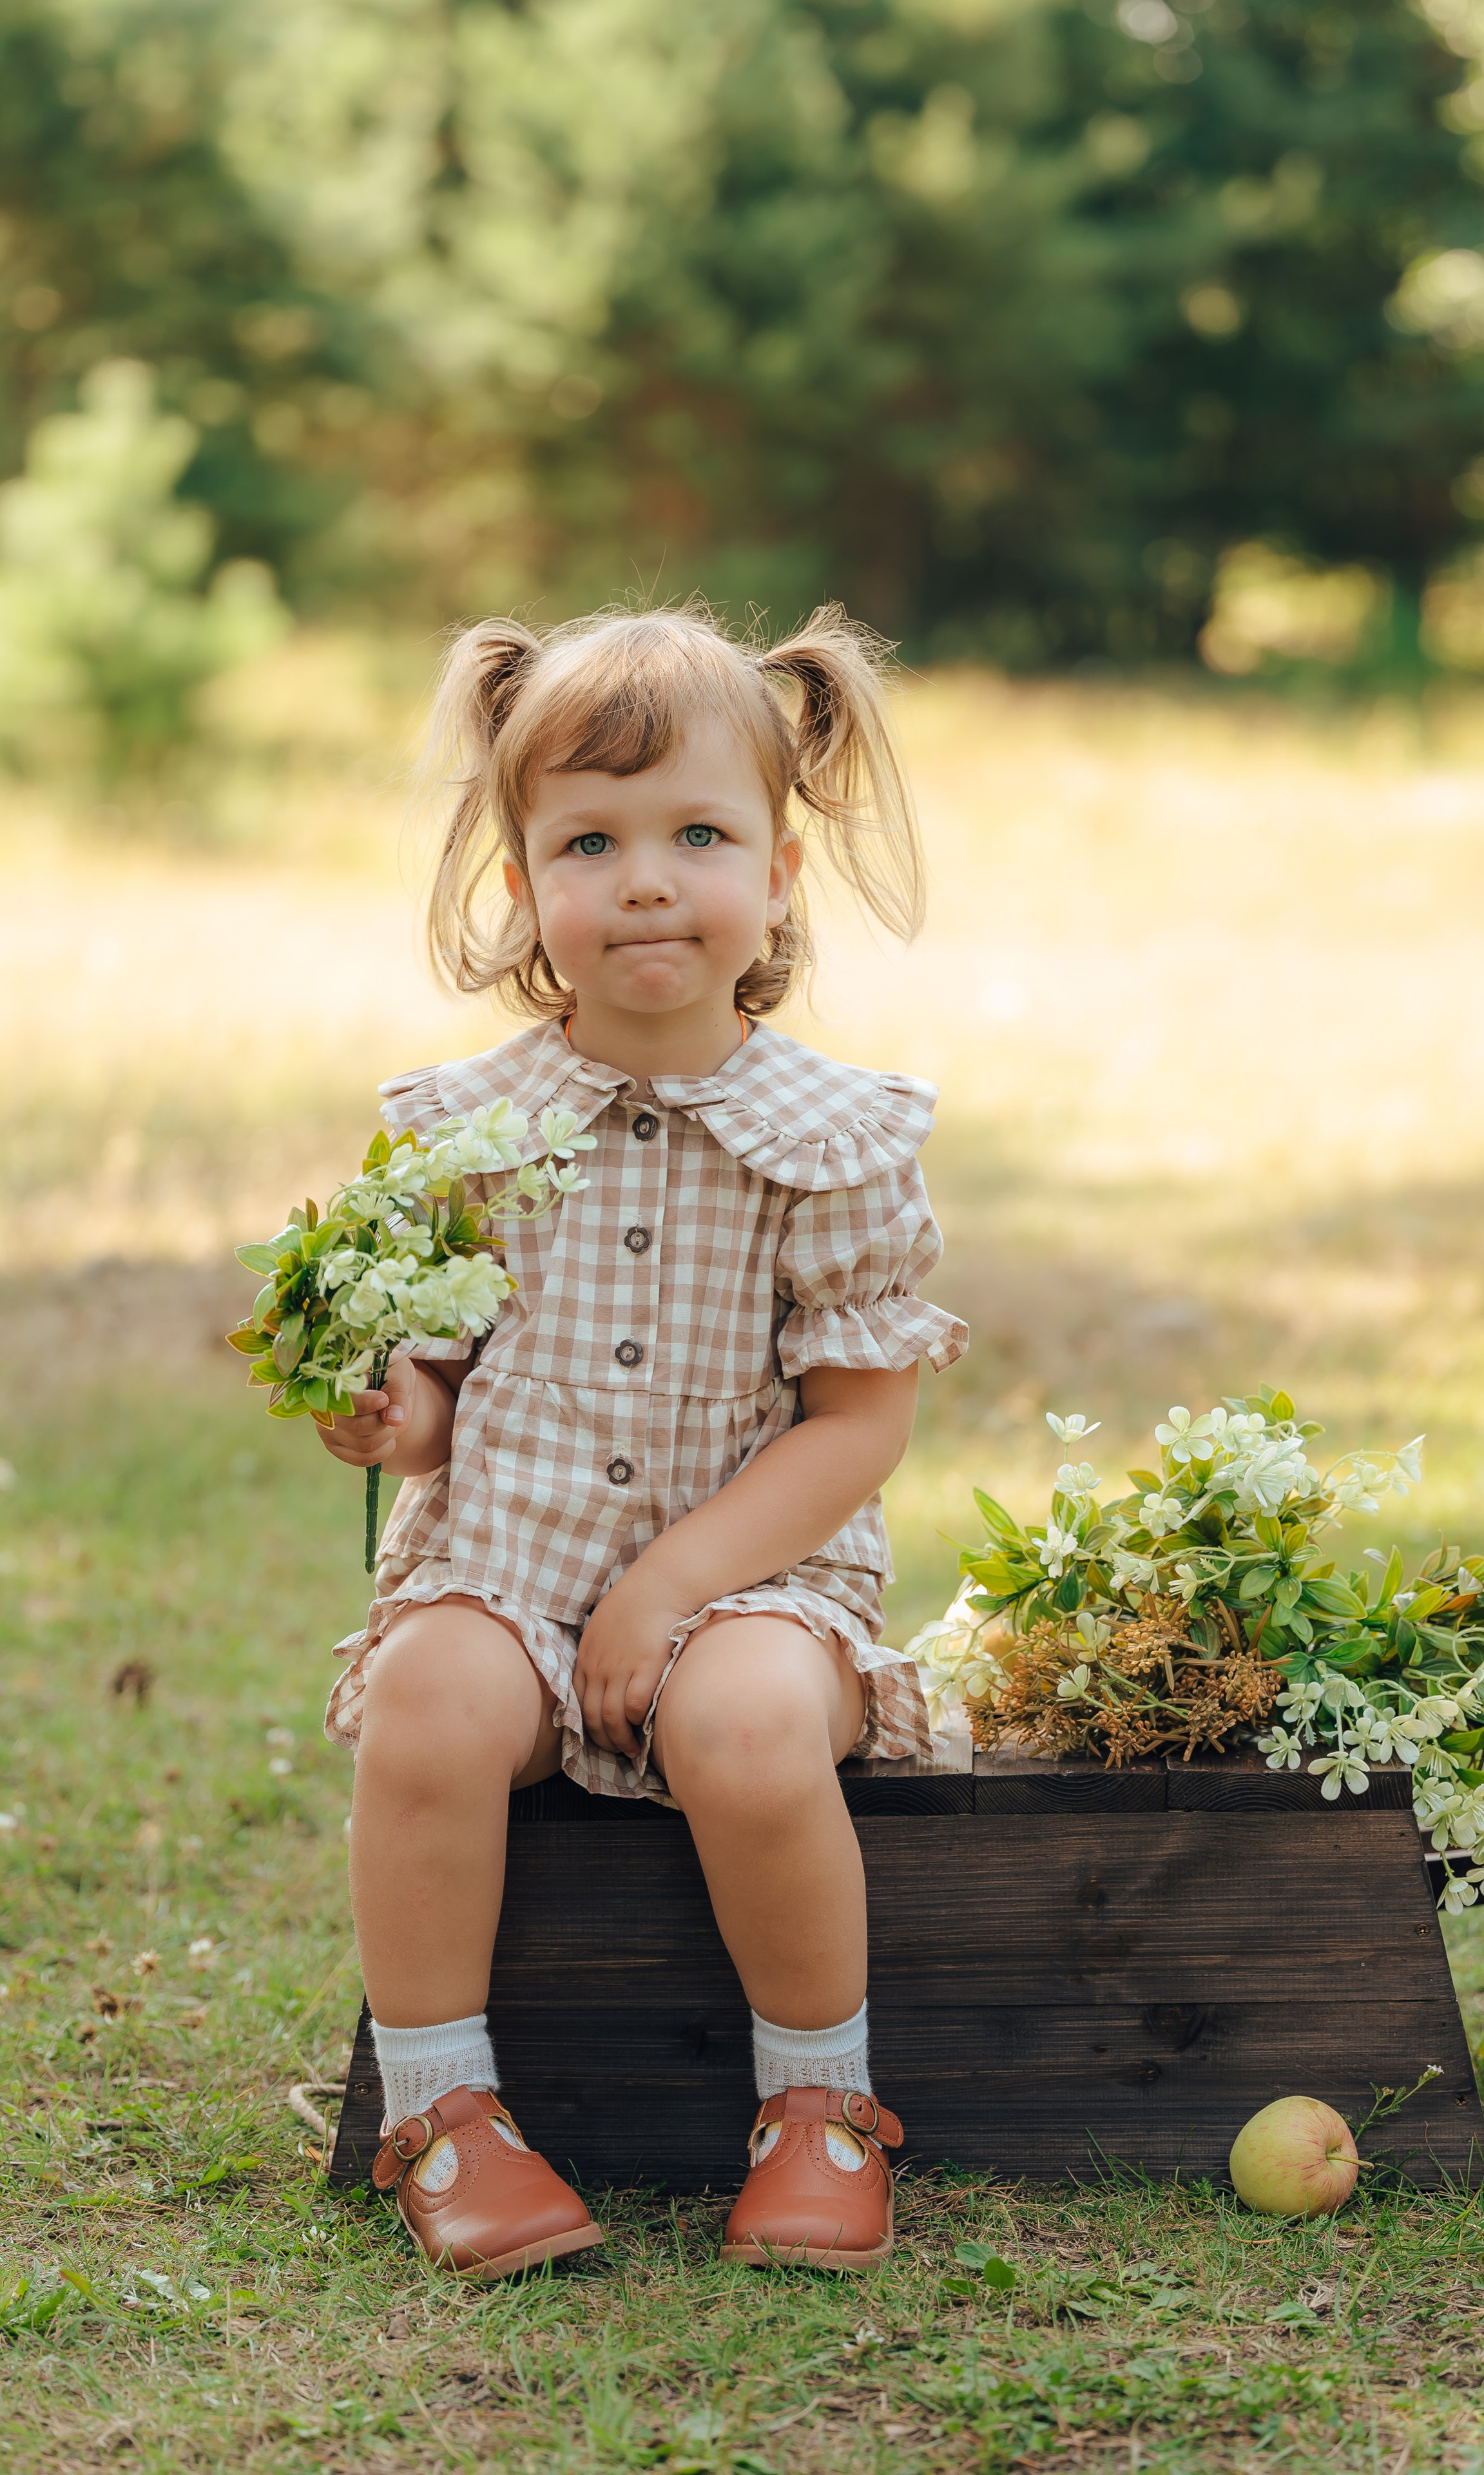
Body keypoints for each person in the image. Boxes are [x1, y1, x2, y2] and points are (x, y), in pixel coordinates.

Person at [318, 603, 967, 2276]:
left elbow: (856, 1429)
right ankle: (448, 2114)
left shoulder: (833, 1144)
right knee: (427, 1693)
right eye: (590, 841)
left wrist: (673, 1588)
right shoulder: (471, 1133)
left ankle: (820, 2106)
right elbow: (450, 1379)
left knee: (746, 1723)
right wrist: (395, 1417)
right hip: (514, 1577)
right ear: (525, 884)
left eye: (699, 833)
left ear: (781, 870)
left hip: (759, 1590)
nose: (649, 879)